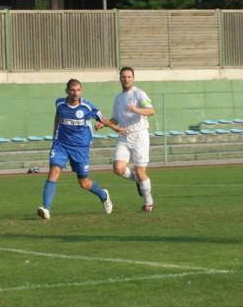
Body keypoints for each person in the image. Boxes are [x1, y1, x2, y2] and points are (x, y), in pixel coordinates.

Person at [37, 79, 124, 220]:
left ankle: (104, 195)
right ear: (67, 91)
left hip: (80, 148)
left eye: (78, 90)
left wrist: (116, 128)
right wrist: (55, 137)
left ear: (81, 90)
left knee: (84, 182)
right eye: (72, 90)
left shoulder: (87, 107)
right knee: (53, 172)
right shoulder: (60, 103)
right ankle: (46, 209)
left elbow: (102, 118)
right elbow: (58, 116)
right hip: (61, 145)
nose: (75, 93)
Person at [100, 66, 155, 212]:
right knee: (118, 168)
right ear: (120, 79)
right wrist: (105, 124)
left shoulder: (139, 94)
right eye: (123, 77)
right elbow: (115, 118)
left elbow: (151, 111)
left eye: (129, 76)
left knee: (139, 169)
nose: (126, 79)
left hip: (139, 135)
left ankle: (148, 202)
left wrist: (137, 109)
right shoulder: (119, 98)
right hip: (124, 136)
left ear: (133, 78)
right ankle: (138, 180)